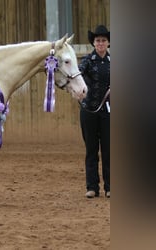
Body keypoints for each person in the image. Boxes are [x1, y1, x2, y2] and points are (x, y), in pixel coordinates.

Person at [78, 25, 110, 198]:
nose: (100, 43)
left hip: (109, 112)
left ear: (108, 43)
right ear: (94, 43)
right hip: (89, 110)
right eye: (98, 40)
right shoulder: (87, 61)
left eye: (103, 40)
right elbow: (76, 75)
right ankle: (92, 187)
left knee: (108, 149)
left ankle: (110, 186)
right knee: (91, 149)